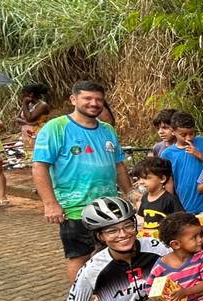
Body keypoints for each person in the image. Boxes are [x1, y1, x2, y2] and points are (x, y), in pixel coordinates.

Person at [32, 80, 132, 282]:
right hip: (75, 207)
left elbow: (119, 166)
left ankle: (110, 295)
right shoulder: (55, 128)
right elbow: (39, 167)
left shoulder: (107, 130)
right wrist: (50, 203)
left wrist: (130, 195)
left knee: (111, 253)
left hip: (109, 206)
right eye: (87, 98)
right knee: (79, 257)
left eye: (99, 100)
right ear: (73, 99)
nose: (94, 103)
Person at [161, 111, 203, 214]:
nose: (189, 138)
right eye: (183, 135)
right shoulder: (167, 154)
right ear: (173, 131)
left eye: (191, 133)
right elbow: (168, 181)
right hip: (184, 202)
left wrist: (199, 155)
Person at [133, 157, 183, 236]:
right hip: (149, 240)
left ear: (162, 179)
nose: (141, 182)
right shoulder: (145, 198)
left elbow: (181, 221)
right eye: (139, 178)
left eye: (146, 178)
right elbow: (142, 217)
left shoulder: (170, 200)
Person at [18, 83, 50, 159]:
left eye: (24, 94)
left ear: (31, 94)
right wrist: (29, 123)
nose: (22, 96)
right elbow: (17, 119)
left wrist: (24, 104)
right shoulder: (28, 105)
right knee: (30, 158)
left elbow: (29, 118)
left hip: (38, 134)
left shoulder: (42, 105)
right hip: (27, 136)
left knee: (39, 158)